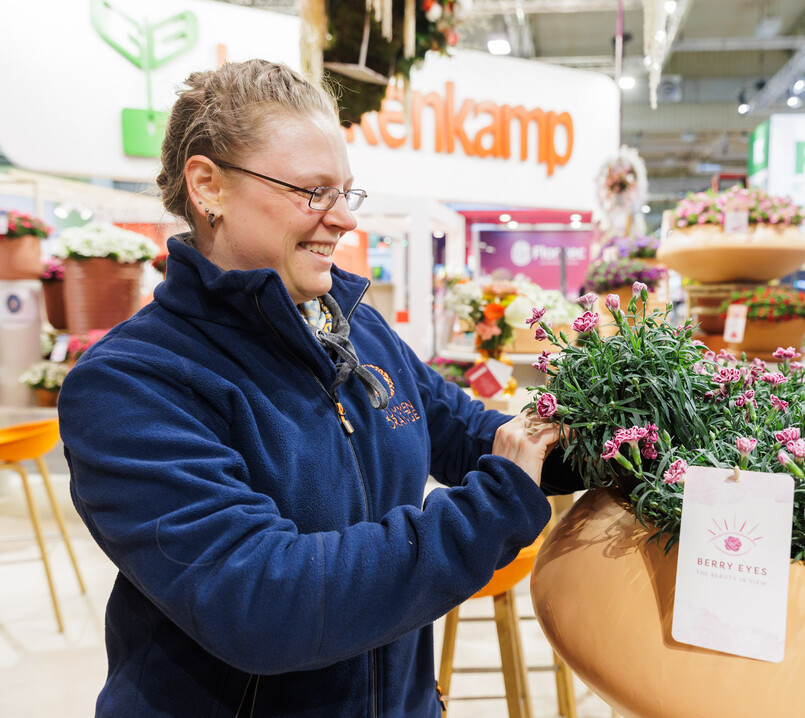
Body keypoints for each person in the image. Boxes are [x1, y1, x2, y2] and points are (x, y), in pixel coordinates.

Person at [58, 59, 578, 717]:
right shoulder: (131, 385)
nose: (343, 220)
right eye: (313, 191)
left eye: (345, 193)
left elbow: (470, 432)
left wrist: (618, 438)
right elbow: (264, 603)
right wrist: (494, 507)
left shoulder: (361, 334)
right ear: (208, 186)